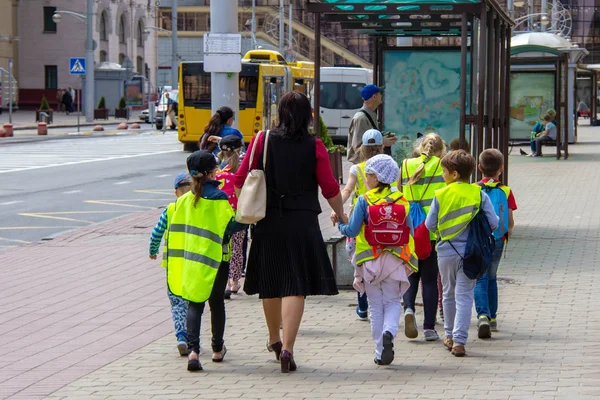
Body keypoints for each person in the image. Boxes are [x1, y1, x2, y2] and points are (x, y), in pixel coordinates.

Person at [234, 91, 346, 373]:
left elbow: (238, 181)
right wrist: (342, 213)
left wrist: (252, 206)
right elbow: (330, 187)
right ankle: (288, 349)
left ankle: (273, 338)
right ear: (309, 115)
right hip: (303, 221)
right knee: (295, 284)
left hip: (268, 220)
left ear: (280, 114)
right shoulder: (314, 145)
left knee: (270, 280)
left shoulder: (263, 140)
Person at [166, 150, 247, 372]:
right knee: (216, 304)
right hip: (217, 260)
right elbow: (229, 228)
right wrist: (246, 219)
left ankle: (193, 352)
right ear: (213, 172)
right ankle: (217, 349)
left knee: (195, 304)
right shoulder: (219, 199)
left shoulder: (183, 201)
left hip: (192, 260)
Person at [337, 154, 416, 365]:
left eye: (370, 174)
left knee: (375, 305)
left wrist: (339, 224)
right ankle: (389, 332)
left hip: (370, 259)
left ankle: (380, 352)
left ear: (377, 176)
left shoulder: (364, 200)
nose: (367, 177)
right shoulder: (402, 199)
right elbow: (410, 232)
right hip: (395, 260)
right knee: (392, 301)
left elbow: (352, 230)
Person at [425, 150, 498, 357]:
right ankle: (459, 341)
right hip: (472, 253)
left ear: (455, 174)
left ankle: (448, 335)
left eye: (445, 172)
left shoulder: (441, 194)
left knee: (448, 293)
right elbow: (493, 223)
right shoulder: (479, 194)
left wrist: (444, 231)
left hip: (446, 252)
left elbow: (430, 224)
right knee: (464, 296)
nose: (442, 176)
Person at [400, 133, 447, 342]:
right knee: (429, 280)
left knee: (411, 275)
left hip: (409, 229)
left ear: (420, 147)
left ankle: (409, 309)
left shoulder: (406, 164)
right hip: (431, 231)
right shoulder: (441, 165)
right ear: (440, 150)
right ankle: (429, 328)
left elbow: (401, 191)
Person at [335, 129, 385, 321]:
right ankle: (378, 303)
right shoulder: (387, 168)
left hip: (359, 220)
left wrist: (336, 209)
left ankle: (362, 306)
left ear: (362, 148)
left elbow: (347, 190)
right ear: (381, 147)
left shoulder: (356, 169)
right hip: (381, 219)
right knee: (380, 260)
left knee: (360, 262)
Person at [474, 149, 517, 338]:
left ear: (479, 168)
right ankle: (492, 317)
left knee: (480, 277)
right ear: (500, 169)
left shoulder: (474, 189)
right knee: (492, 276)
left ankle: (482, 314)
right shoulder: (506, 191)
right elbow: (510, 220)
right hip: (498, 239)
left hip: (478, 239)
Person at [148, 172, 192, 356]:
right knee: (192, 301)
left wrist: (152, 250)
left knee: (176, 302)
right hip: (194, 263)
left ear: (176, 193)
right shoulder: (196, 207)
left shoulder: (171, 209)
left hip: (173, 265)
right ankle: (192, 336)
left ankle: (181, 336)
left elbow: (157, 232)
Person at [215, 135, 246, 299]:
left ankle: (225, 280)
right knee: (237, 249)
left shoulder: (217, 169)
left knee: (223, 247)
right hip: (238, 215)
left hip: (220, 215)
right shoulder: (242, 166)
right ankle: (235, 281)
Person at [347, 84, 397, 164]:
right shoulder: (361, 118)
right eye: (380, 93)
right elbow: (357, 148)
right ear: (374, 97)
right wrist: (382, 142)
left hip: (370, 164)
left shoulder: (371, 114)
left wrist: (384, 137)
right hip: (363, 167)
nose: (381, 95)